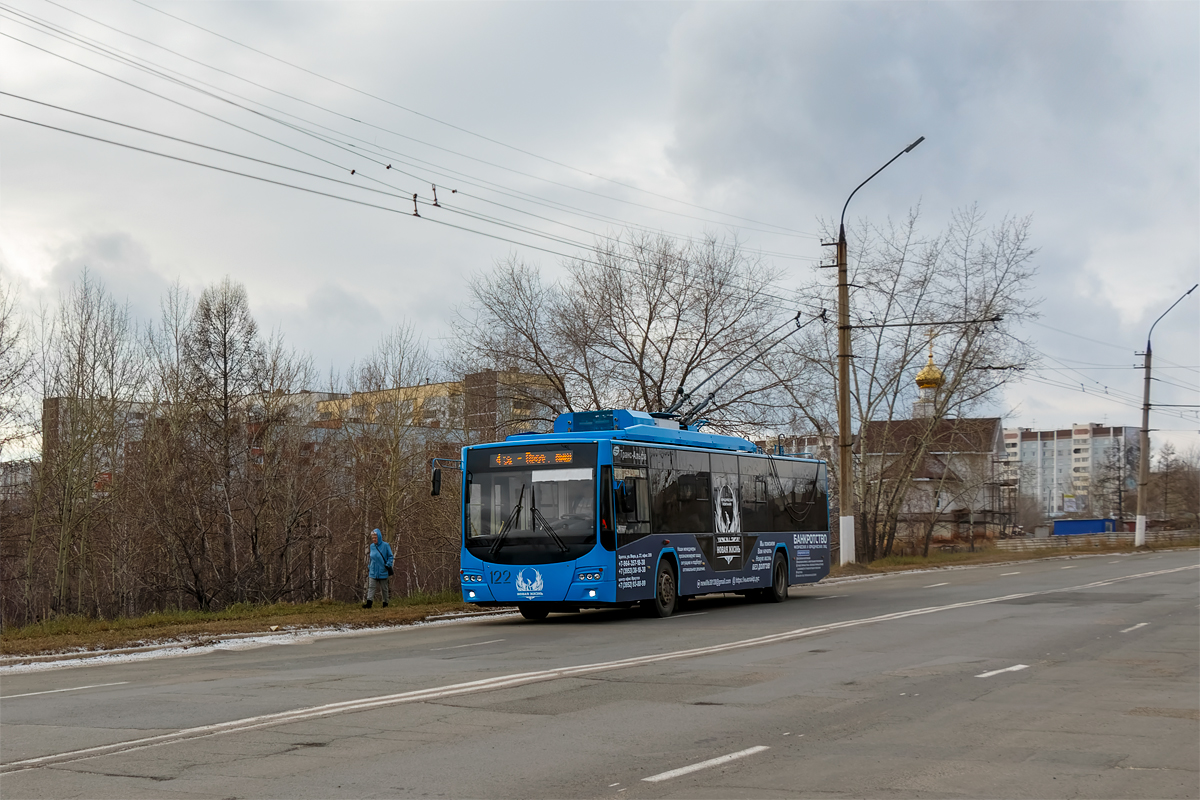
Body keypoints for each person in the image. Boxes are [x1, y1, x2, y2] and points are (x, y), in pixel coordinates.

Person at [363, 528, 394, 608]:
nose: (374, 539)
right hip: (373, 571)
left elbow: (390, 556)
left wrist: (388, 564)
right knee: (371, 587)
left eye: (375, 537)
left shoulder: (386, 545)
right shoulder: (372, 546)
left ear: (379, 537)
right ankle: (369, 604)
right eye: (373, 538)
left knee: (384, 589)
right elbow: (371, 558)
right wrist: (369, 566)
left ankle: (385, 603)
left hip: (383, 571)